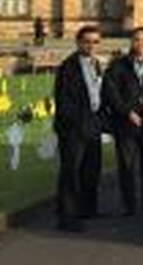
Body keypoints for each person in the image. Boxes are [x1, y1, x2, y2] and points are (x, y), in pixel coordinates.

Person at [102, 27, 143, 215]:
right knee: (127, 165)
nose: (141, 44)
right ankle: (130, 204)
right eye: (137, 40)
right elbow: (111, 93)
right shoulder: (118, 65)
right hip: (126, 123)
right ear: (131, 42)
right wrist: (126, 112)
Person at [53, 26, 107, 232]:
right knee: (71, 172)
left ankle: (88, 209)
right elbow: (64, 102)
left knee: (91, 170)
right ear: (78, 43)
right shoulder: (68, 67)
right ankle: (67, 216)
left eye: (95, 41)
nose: (91, 45)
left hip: (93, 124)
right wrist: (80, 124)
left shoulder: (96, 64)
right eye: (87, 41)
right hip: (73, 128)